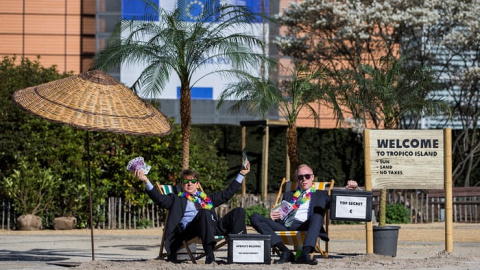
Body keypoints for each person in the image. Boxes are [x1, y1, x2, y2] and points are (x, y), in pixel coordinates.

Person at [133, 162, 250, 264]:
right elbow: (159, 199)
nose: (190, 184)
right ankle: (209, 254)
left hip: (211, 226)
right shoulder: (176, 199)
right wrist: (146, 180)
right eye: (186, 181)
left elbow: (227, 194)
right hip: (190, 230)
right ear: (181, 184)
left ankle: (240, 251)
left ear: (197, 184)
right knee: (204, 213)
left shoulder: (206, 198)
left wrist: (242, 174)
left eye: (193, 181)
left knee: (239, 212)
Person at [250, 164, 359, 265]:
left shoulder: (322, 194)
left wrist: (349, 190)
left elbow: (337, 202)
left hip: (306, 225)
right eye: (300, 177)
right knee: (255, 217)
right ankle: (285, 251)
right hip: (285, 225)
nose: (304, 179)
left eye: (307, 176)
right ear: (297, 179)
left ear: (312, 177)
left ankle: (305, 254)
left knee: (317, 215)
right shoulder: (288, 194)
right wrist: (273, 215)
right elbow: (282, 211)